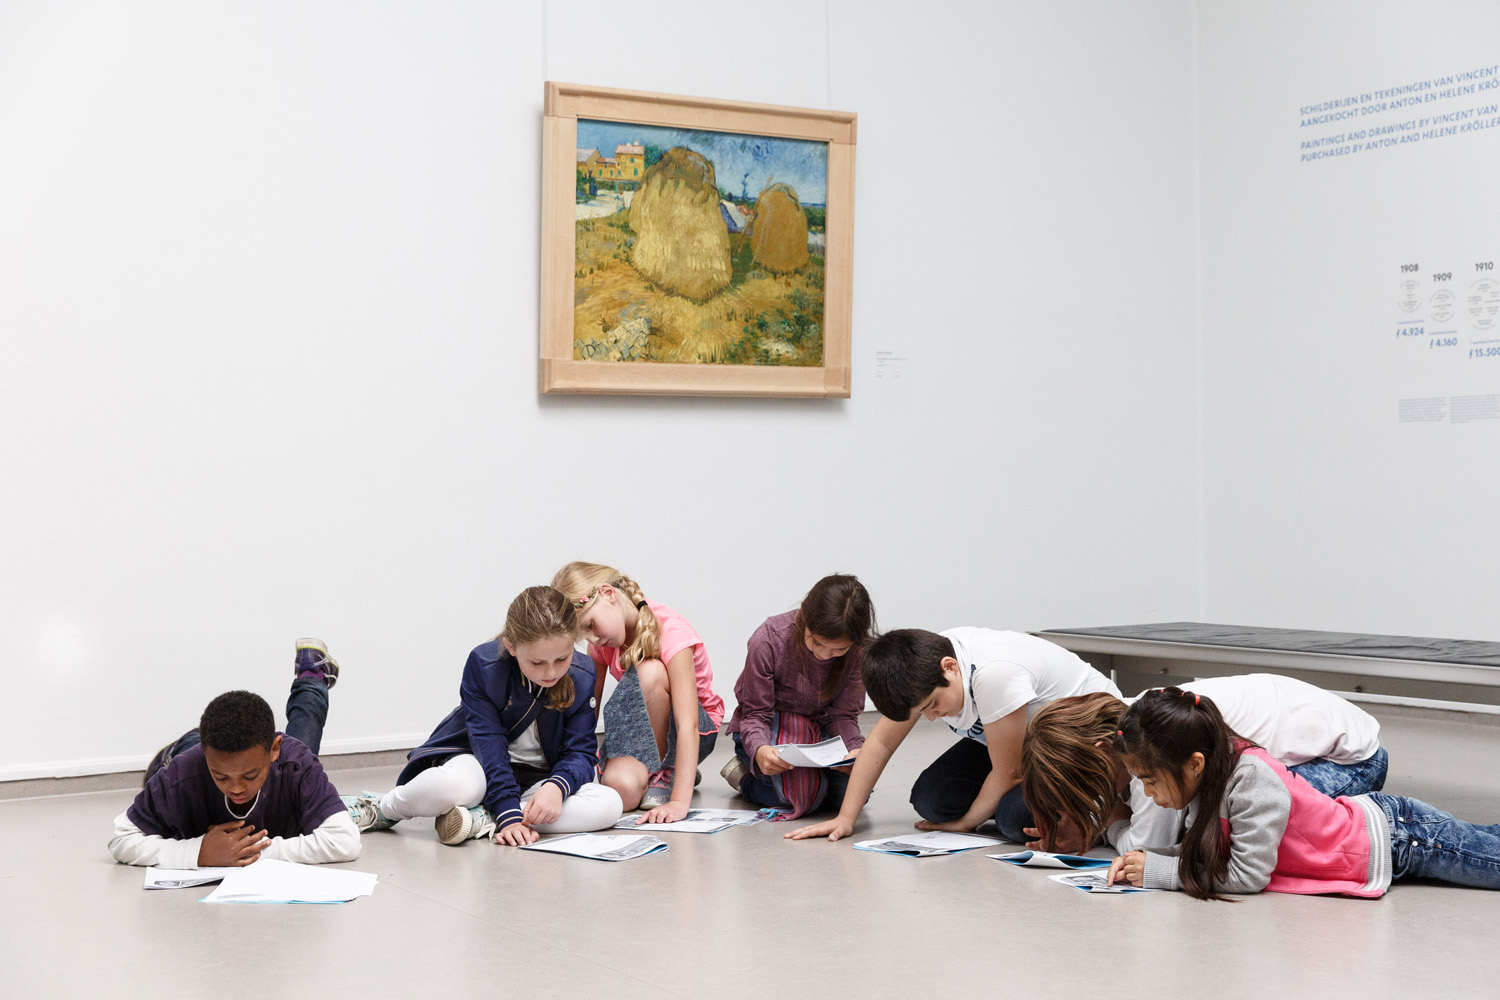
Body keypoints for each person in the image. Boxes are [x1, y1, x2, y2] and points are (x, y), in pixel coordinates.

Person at [1105, 687, 1500, 897]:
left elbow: (1247, 874)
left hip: (1398, 837)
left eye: (1150, 780)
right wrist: (1148, 858)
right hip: (1386, 831)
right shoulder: (1203, 784)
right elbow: (1210, 853)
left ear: (1194, 763)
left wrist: (1159, 872)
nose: (1147, 793)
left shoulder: (1250, 780)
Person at [787, 627, 1119, 844]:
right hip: (1015, 740)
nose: (931, 717)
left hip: (1079, 745)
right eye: (923, 712)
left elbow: (1009, 772)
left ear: (950, 668)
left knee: (1013, 819)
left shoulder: (994, 676)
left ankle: (1095, 810)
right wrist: (846, 818)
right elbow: (881, 742)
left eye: (933, 705)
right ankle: (1021, 804)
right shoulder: (919, 668)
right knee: (931, 800)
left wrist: (966, 825)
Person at [346, 586, 622, 845]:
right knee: (457, 785)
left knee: (610, 805)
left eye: (561, 659)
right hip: (479, 764)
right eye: (537, 662)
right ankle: (382, 808)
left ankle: (482, 818)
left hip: (538, 778)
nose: (551, 672)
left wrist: (556, 788)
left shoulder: (583, 674)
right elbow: (489, 745)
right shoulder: (485, 665)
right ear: (512, 647)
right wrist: (508, 810)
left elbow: (581, 752)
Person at [1021, 673, 1389, 853]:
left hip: (1350, 761)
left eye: (1084, 789)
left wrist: (1103, 826)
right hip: (1328, 734)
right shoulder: (1134, 722)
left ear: (1103, 750)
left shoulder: (1148, 751)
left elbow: (1150, 846)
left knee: (1222, 833)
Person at [108, 639, 358, 867]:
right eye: (221, 777)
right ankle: (312, 677)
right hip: (183, 751)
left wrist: (250, 851)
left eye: (249, 776)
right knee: (193, 747)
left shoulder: (294, 763)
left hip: (268, 755)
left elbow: (345, 842)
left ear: (274, 750)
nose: (236, 788)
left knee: (300, 749)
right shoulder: (182, 773)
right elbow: (121, 840)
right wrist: (200, 853)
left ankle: (312, 677)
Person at [551, 561, 724, 823]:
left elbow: (687, 725)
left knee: (650, 672)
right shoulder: (602, 641)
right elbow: (591, 705)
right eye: (583, 634)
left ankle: (669, 769)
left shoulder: (673, 633)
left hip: (693, 729)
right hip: (637, 725)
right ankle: (665, 773)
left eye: (590, 625)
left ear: (609, 594)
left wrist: (679, 802)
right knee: (622, 793)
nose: (593, 638)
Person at [721, 574, 876, 820]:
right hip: (768, 729)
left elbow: (843, 715)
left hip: (820, 735)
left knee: (856, 792)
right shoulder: (769, 640)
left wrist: (854, 751)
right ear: (804, 617)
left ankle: (813, 781)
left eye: (839, 650)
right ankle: (744, 776)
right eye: (816, 642)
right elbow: (755, 714)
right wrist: (760, 751)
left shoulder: (859, 652)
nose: (825, 656)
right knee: (787, 796)